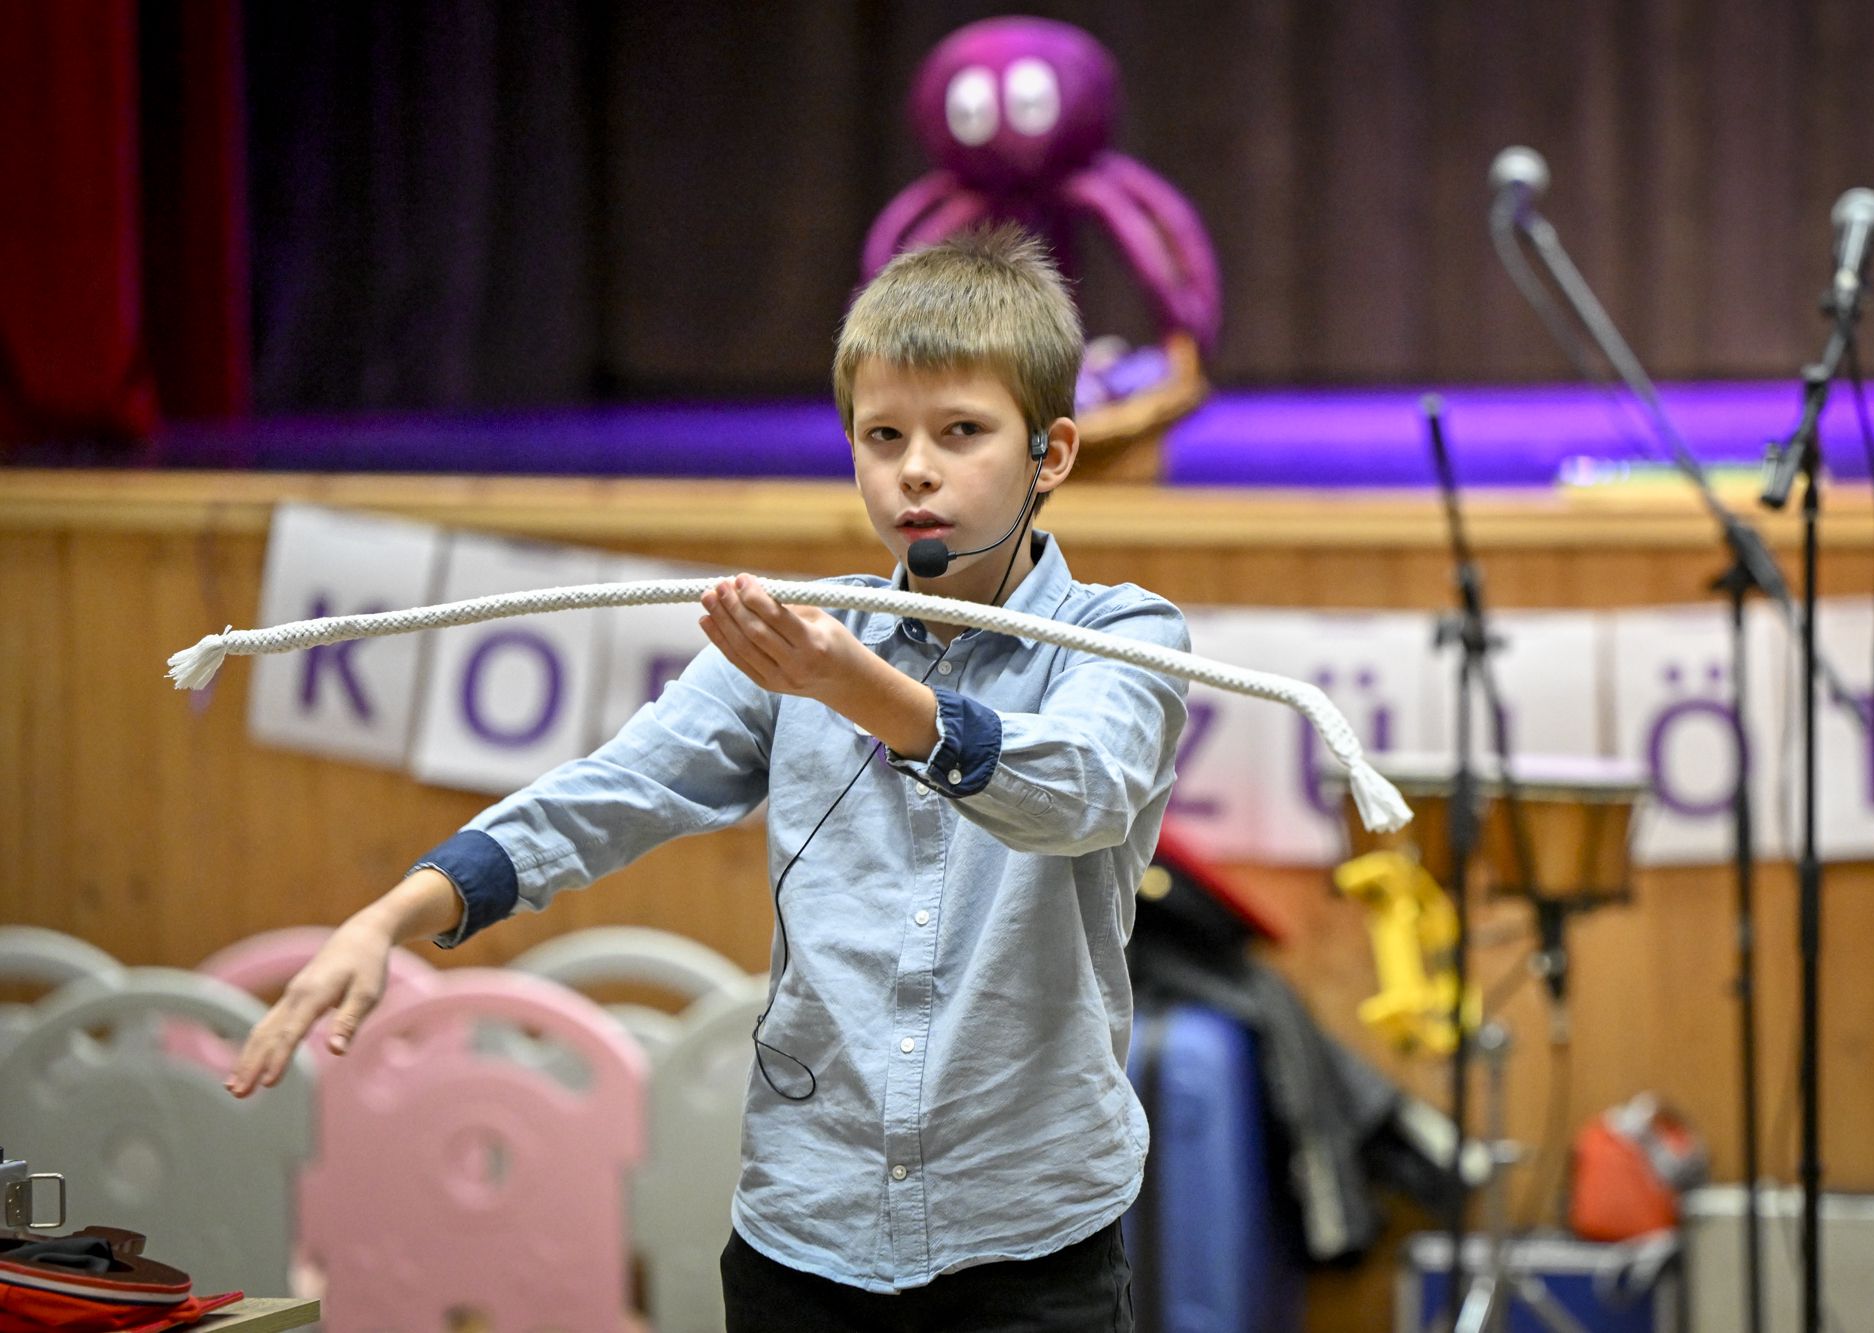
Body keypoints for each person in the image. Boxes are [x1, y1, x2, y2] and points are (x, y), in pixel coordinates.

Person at [226, 224, 1189, 1332]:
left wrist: (862, 693)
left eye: (960, 431)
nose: (914, 468)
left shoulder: (1121, 636)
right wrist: (397, 911)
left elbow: (1076, 794)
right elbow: (616, 790)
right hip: (802, 1238)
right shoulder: (804, 643)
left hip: (1032, 1250)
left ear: (1049, 454)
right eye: (881, 436)